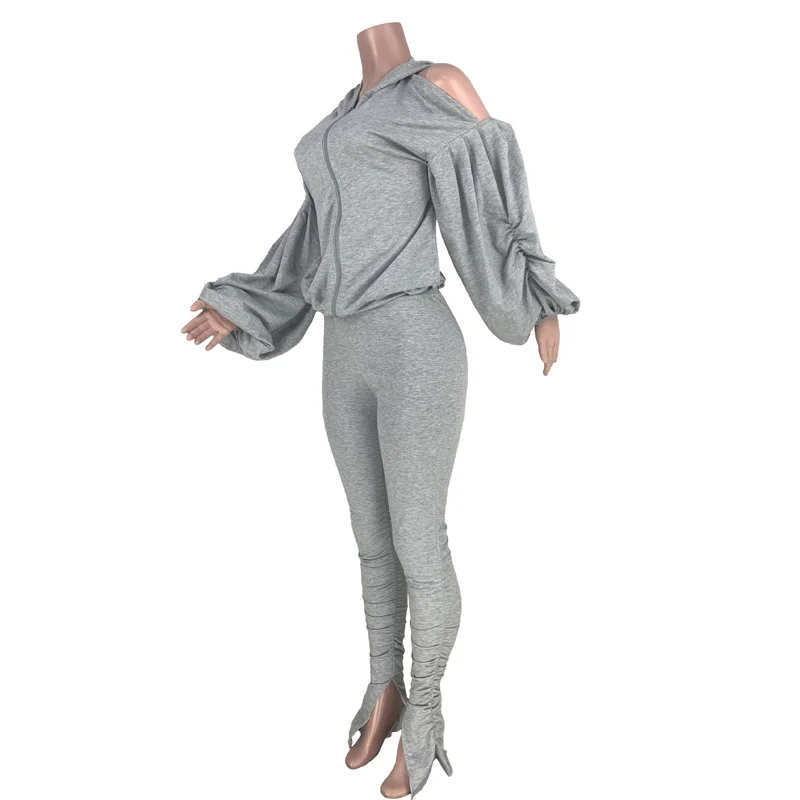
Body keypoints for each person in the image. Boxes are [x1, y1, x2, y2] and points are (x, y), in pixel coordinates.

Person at [181, 22, 580, 799]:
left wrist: (535, 295)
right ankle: (382, 689)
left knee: (417, 541)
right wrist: (244, 302)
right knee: (370, 541)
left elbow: (494, 196)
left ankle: (426, 713)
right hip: (343, 349)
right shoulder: (342, 115)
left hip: (413, 341)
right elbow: (311, 235)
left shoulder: (438, 85)